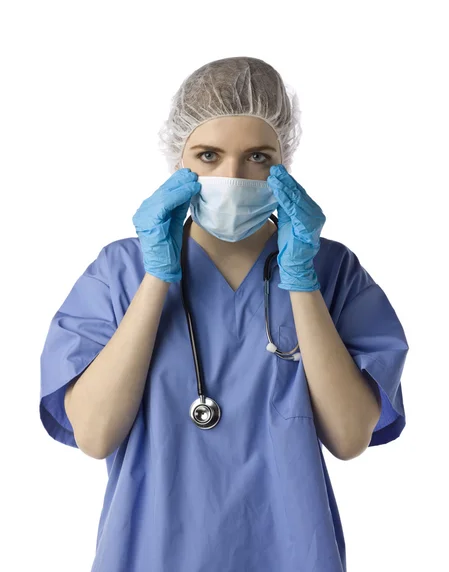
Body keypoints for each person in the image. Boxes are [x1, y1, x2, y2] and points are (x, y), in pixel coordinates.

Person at [39, 56, 408, 572]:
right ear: (178, 162)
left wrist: (300, 283)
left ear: (285, 162)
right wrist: (157, 279)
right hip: (149, 553)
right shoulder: (120, 272)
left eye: (258, 157)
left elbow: (350, 438)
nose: (233, 177)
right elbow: (95, 435)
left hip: (293, 554)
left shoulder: (332, 270)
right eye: (208, 156)